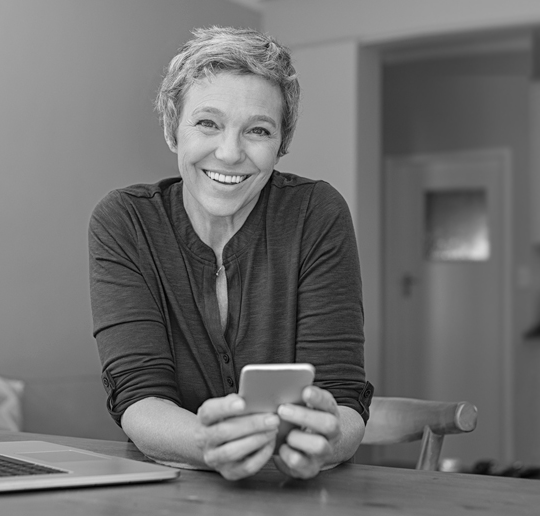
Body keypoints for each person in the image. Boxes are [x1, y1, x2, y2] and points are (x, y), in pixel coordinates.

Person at [88, 26, 372, 481]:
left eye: (257, 130)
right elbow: (139, 398)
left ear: (281, 144)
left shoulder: (316, 213)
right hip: (171, 493)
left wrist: (329, 437)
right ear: (171, 129)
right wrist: (207, 444)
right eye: (207, 123)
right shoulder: (126, 221)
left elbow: (343, 399)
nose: (229, 151)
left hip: (297, 494)